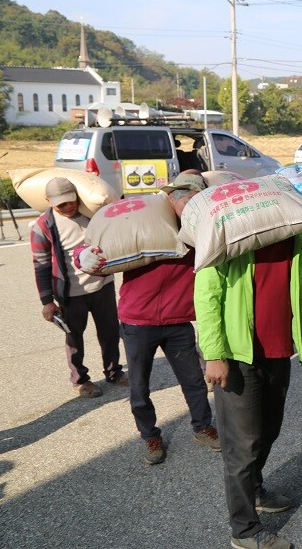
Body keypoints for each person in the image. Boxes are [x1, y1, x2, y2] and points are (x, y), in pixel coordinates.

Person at [195, 202, 302, 549]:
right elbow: (207, 296)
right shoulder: (231, 237)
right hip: (238, 356)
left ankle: (255, 490)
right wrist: (214, 354)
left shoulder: (293, 235)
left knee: (269, 430)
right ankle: (243, 531)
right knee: (242, 446)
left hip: (279, 351)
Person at [76, 173, 219, 465]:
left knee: (193, 380)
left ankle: (203, 426)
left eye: (192, 195)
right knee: (140, 386)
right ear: (170, 198)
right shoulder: (144, 224)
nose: (185, 202)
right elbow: (95, 248)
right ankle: (149, 436)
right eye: (180, 195)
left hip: (178, 321)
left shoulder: (201, 229)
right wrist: (83, 256)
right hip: (138, 321)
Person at [31, 177, 125, 398]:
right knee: (74, 338)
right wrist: (47, 302)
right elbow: (40, 265)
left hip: (102, 286)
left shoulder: (92, 213)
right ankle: (80, 380)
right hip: (70, 293)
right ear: (48, 201)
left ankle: (113, 371)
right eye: (61, 204)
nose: (67, 207)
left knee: (110, 332)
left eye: (70, 201)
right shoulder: (44, 225)